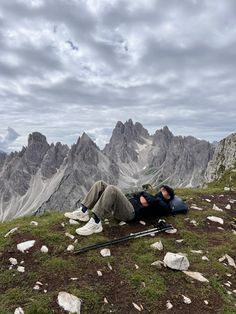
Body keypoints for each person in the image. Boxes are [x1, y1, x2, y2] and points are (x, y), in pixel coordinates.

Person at [64, 180, 175, 236]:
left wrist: (143, 195)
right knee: (100, 184)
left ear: (168, 196)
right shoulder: (155, 198)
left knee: (112, 189)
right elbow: (137, 194)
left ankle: (96, 222)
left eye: (164, 190)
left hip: (130, 213)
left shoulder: (163, 204)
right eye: (162, 188)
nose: (161, 190)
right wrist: (141, 194)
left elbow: (156, 202)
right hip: (125, 205)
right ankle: (83, 212)